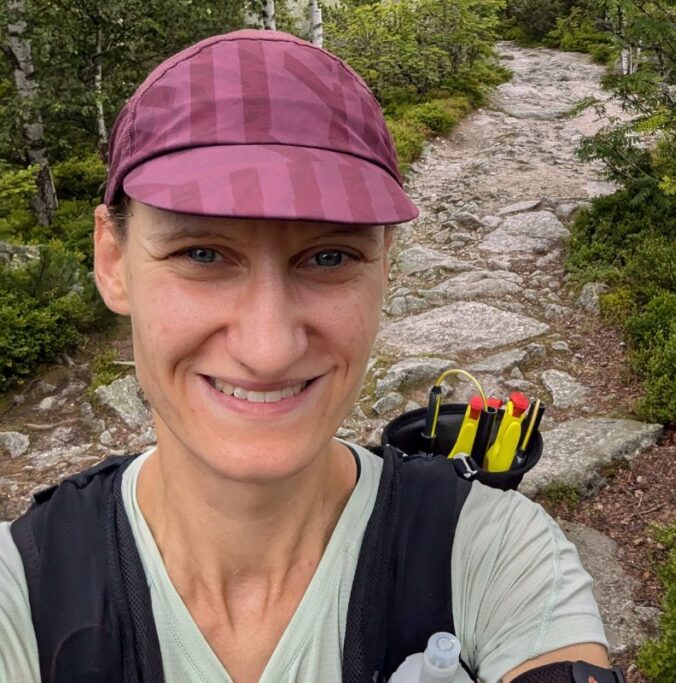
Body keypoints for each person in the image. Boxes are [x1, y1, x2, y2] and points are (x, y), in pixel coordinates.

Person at [0, 29, 616, 682]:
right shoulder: (23, 590)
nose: (268, 349)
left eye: (329, 256)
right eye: (202, 253)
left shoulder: (494, 559)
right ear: (113, 259)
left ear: (386, 268)